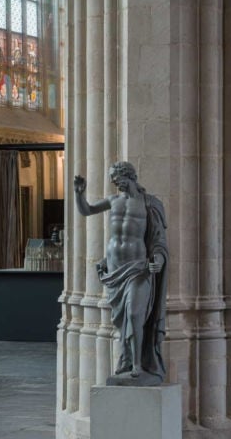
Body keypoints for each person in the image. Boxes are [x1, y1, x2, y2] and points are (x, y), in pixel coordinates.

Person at [74, 161, 168, 386]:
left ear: (130, 176)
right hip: (115, 270)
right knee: (121, 319)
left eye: (118, 178)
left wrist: (159, 259)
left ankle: (137, 364)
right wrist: (79, 193)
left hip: (138, 268)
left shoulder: (149, 203)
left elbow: (158, 239)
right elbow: (86, 210)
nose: (115, 183)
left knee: (135, 313)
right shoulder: (113, 201)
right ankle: (126, 361)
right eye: (113, 180)